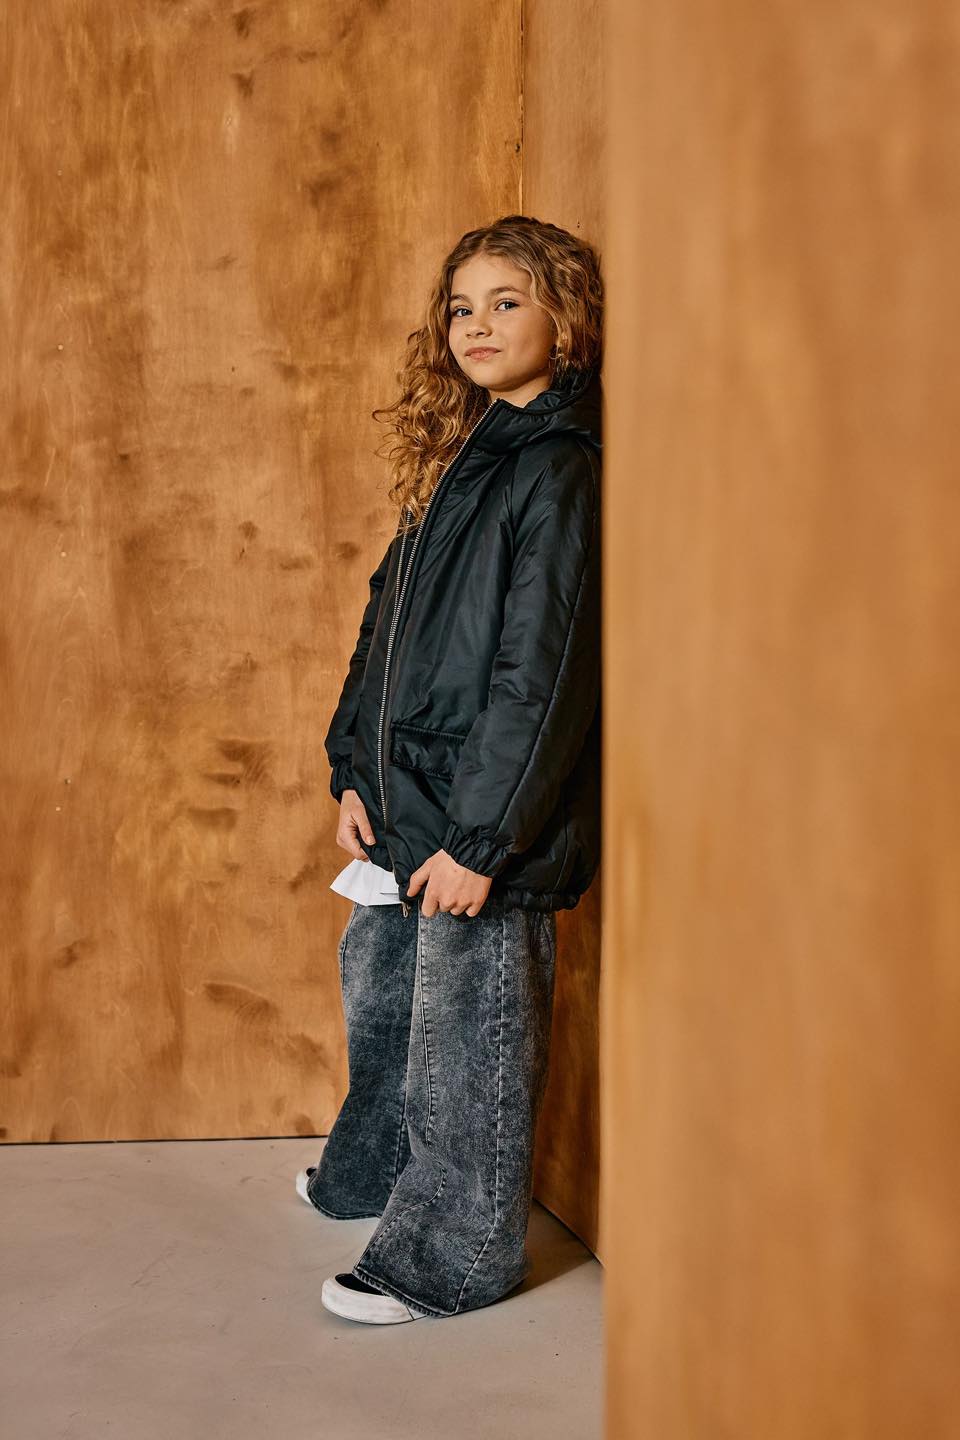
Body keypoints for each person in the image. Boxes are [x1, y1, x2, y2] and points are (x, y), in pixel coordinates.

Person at [298, 214, 603, 1324]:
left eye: (507, 302)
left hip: (483, 818)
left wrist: (483, 841)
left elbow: (542, 674)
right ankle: (373, 1172)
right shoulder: (464, 458)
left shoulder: (558, 468)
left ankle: (453, 1256)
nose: (477, 325)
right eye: (462, 307)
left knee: (468, 1038)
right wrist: (353, 768)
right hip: (404, 797)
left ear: (565, 319)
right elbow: (383, 628)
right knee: (385, 1001)